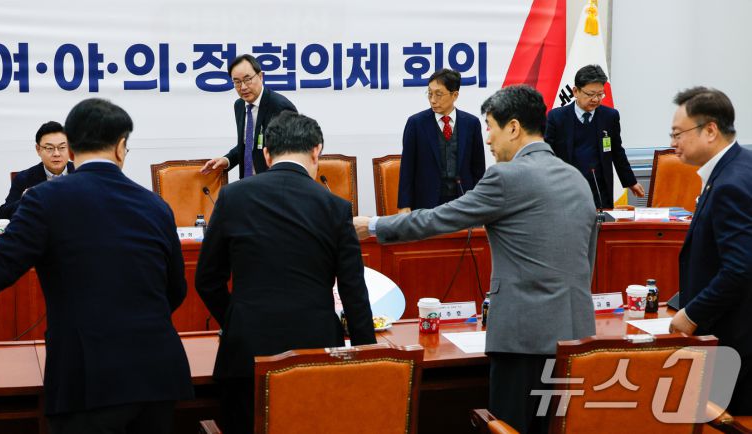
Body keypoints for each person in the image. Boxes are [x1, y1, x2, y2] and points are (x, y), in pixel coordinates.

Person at [355, 85, 596, 433]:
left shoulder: (506, 177)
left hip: (522, 341)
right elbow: (588, 256)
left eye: (490, 127)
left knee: (510, 428)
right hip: (576, 337)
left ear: (513, 127)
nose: (488, 139)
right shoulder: (576, 178)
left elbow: (438, 218)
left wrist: (374, 225)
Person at [0, 98, 194, 434]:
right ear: (121, 146)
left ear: (71, 149)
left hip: (86, 379)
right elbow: (175, 289)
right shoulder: (156, 205)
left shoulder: (44, 199)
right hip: (157, 374)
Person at [195, 111, 376, 433]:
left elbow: (207, 280)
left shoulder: (233, 197)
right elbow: (354, 293)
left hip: (245, 353)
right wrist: (368, 357)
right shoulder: (336, 208)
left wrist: (237, 320)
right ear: (317, 151)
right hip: (317, 351)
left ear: (266, 154)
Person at [668, 87, 752, 415]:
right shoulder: (739, 166)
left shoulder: (730, 183)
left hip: (735, 343)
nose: (673, 142)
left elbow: (739, 268)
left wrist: (692, 314)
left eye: (678, 133)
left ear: (711, 130)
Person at [544, 64, 644, 208]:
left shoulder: (609, 116)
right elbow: (546, 153)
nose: (596, 99)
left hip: (599, 188)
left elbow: (617, 151)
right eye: (590, 94)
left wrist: (630, 181)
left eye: (600, 94)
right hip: (566, 188)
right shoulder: (556, 117)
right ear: (576, 91)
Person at [397, 68, 486, 212]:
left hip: (464, 201)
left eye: (438, 94)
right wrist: (404, 205)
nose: (433, 100)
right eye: (429, 93)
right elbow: (407, 167)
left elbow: (478, 169)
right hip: (426, 203)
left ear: (454, 95)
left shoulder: (471, 123)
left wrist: (481, 203)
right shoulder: (416, 123)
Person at [201, 54, 297, 179]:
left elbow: (293, 153)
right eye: (237, 82)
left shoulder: (280, 107)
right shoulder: (240, 105)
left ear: (260, 76)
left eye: (247, 80)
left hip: (274, 182)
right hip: (248, 182)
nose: (243, 87)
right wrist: (227, 160)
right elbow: (248, 144)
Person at [0, 121, 75, 219]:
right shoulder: (24, 178)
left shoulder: (82, 173)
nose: (56, 154)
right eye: (49, 148)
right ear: (38, 149)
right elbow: (3, 215)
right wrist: (25, 200)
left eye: (62, 147)